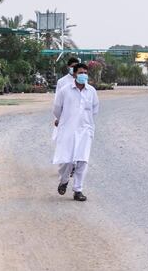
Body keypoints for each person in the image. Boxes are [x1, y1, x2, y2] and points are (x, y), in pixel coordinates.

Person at [52, 62, 100, 201]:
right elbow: (56, 108)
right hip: (68, 129)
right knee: (67, 160)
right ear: (74, 74)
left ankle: (78, 190)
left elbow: (95, 109)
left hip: (85, 130)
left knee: (82, 161)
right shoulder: (65, 90)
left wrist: (86, 122)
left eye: (85, 72)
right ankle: (64, 180)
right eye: (80, 73)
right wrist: (63, 121)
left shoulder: (91, 91)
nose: (83, 75)